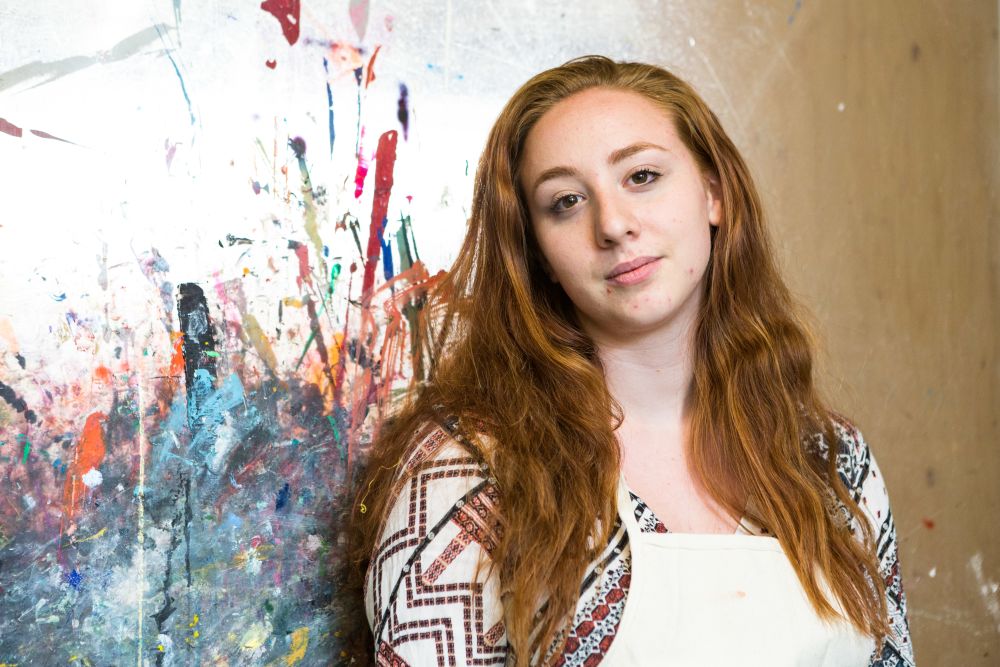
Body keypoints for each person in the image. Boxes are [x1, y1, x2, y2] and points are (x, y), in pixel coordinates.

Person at [340, 56, 914, 665]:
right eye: (566, 201)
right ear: (538, 254)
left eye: (642, 176)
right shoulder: (469, 473)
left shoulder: (830, 461)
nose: (613, 225)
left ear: (714, 194)